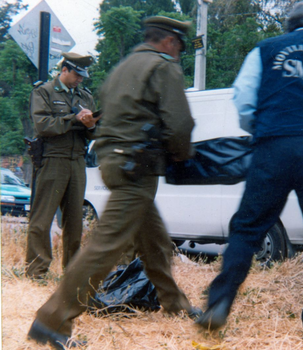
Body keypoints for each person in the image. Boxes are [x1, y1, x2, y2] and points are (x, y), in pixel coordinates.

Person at [27, 16, 199, 349]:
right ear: (169, 42)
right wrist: (183, 156)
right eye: (178, 45)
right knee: (105, 247)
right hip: (139, 167)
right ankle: (52, 320)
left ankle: (174, 303)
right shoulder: (163, 68)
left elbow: (103, 118)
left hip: (115, 162)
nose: (179, 51)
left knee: (155, 241)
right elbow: (180, 124)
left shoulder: (125, 66)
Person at [196, 1, 303, 341]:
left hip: (273, 147)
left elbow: (243, 100)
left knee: (248, 228)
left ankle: (219, 304)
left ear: (287, 28)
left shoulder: (264, 50)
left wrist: (265, 128)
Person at [26, 52, 97, 278]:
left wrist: (91, 125)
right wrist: (73, 119)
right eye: (77, 74)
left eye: (83, 76)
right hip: (52, 160)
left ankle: (72, 272)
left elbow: (95, 133)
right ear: (64, 69)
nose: (80, 79)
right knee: (42, 219)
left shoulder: (85, 97)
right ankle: (37, 272)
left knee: (75, 221)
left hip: (77, 161)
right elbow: (42, 125)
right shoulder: (44, 92)